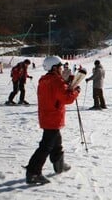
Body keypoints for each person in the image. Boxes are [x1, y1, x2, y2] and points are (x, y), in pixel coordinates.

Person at [24, 56, 80, 185]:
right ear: (54, 68)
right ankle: (33, 172)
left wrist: (67, 83)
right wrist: (76, 91)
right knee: (46, 146)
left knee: (56, 142)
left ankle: (58, 164)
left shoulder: (45, 80)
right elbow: (66, 99)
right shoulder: (56, 81)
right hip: (53, 117)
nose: (61, 69)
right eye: (60, 67)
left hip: (47, 116)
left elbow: (57, 92)